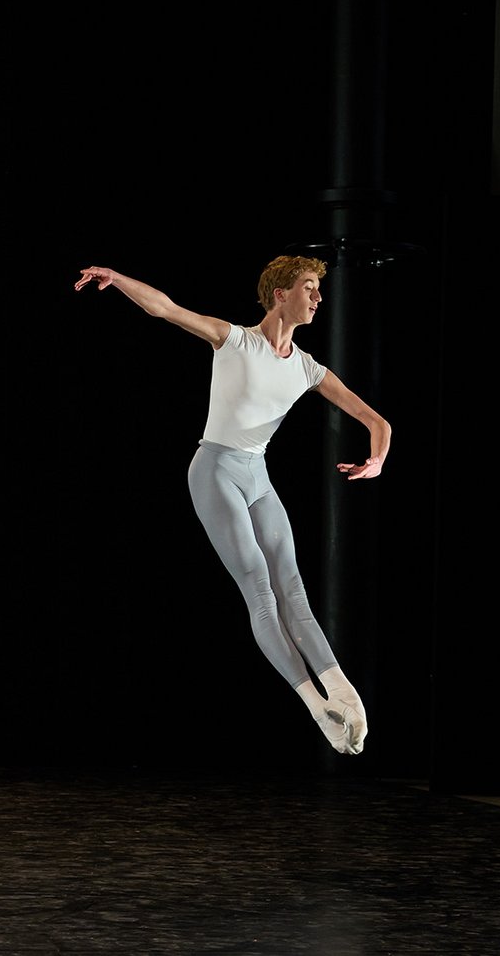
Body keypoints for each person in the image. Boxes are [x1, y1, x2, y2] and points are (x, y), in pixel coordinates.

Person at [74, 255, 391, 755]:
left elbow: (377, 421)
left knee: (293, 590)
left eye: (318, 289)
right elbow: (166, 309)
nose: (318, 297)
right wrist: (117, 279)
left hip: (257, 477)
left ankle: (344, 694)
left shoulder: (308, 368)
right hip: (215, 471)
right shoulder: (235, 339)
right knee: (260, 589)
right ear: (280, 294)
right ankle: (316, 705)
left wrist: (376, 459)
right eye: (309, 287)